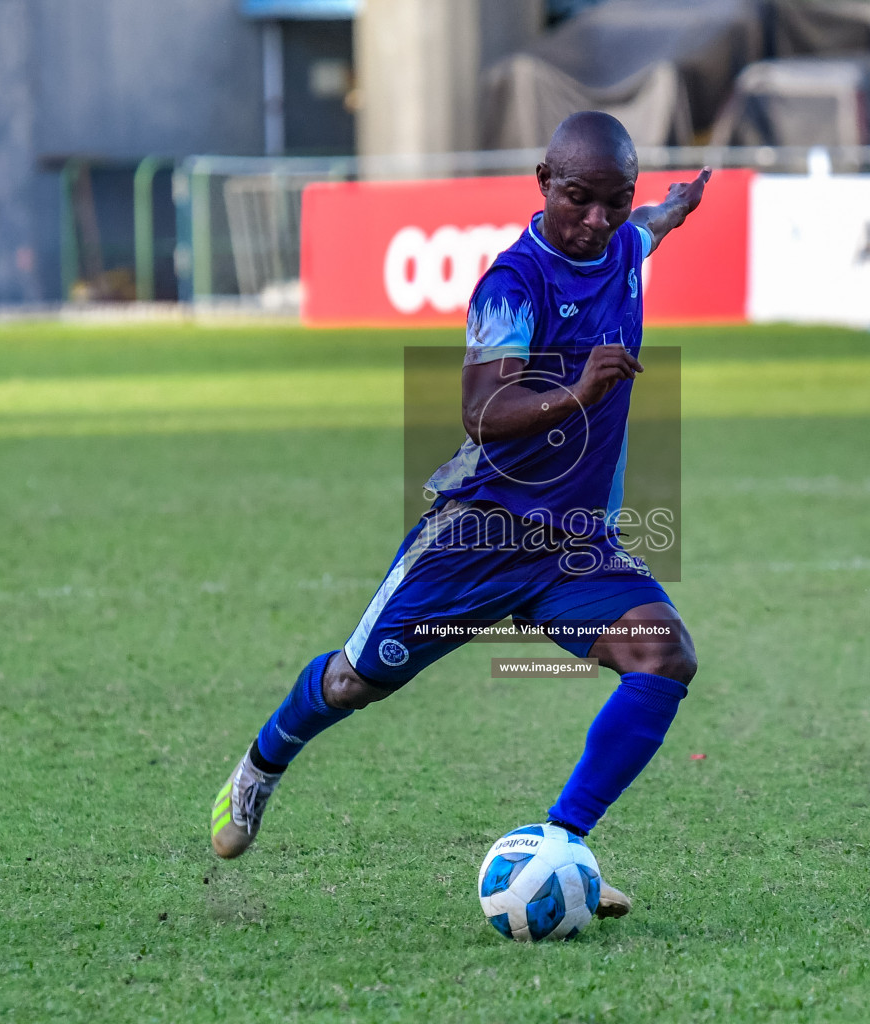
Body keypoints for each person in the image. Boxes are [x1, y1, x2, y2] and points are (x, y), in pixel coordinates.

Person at [209, 111, 712, 920]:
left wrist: (668, 212)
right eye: (579, 199)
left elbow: (643, 231)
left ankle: (561, 847)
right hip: (479, 534)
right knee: (353, 681)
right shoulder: (513, 285)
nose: (596, 221)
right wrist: (580, 391)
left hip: (573, 546)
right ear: (544, 181)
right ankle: (262, 765)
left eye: (615, 202)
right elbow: (484, 409)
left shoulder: (622, 240)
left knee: (666, 655)